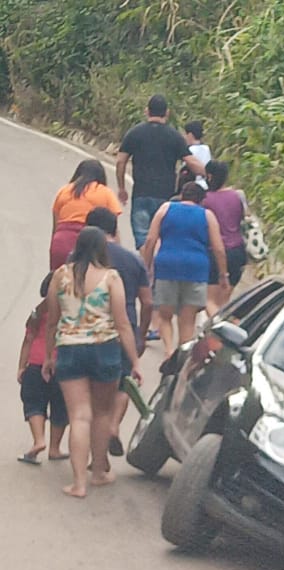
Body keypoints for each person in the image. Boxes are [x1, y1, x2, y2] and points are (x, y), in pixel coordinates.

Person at [43, 227, 142, 499]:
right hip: (105, 349)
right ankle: (98, 472)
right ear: (102, 248)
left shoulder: (60, 276)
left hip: (70, 350)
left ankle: (78, 483)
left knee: (79, 416)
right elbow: (122, 324)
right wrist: (134, 360)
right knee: (101, 413)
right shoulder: (111, 277)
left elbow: (52, 321)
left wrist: (50, 356)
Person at [85, 207, 153, 456]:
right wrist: (142, 334)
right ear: (115, 229)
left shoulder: (80, 257)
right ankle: (113, 427)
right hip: (124, 330)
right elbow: (147, 302)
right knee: (123, 383)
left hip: (89, 329)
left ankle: (94, 454)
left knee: (94, 392)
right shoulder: (133, 259)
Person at [142, 182, 228, 357]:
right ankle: (181, 356)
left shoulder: (166, 208)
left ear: (182, 195)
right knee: (187, 320)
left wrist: (146, 266)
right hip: (196, 269)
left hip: (167, 266)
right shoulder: (207, 215)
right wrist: (223, 274)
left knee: (165, 316)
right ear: (201, 200)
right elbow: (218, 248)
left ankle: (169, 351)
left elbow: (150, 240)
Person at [116, 94, 203, 250]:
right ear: (167, 113)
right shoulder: (174, 136)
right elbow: (191, 161)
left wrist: (122, 188)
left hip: (141, 194)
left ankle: (147, 271)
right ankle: (156, 269)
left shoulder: (134, 133)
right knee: (162, 238)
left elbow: (121, 161)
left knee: (143, 239)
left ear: (146, 111)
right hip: (165, 197)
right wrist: (209, 174)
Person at [16, 274, 68, 464]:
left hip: (36, 364)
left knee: (34, 404)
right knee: (60, 407)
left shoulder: (37, 312)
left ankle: (38, 441)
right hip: (61, 364)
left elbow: (28, 340)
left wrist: (22, 366)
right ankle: (55, 448)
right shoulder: (70, 311)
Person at [50, 159, 122, 270]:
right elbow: (113, 228)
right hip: (91, 245)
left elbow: (56, 227)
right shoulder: (105, 192)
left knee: (58, 281)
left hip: (61, 241)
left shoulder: (64, 191)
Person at [203, 160, 247, 317]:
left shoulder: (205, 200)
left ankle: (221, 329)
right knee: (224, 301)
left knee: (209, 301)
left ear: (209, 176)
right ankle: (223, 326)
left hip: (214, 254)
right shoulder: (237, 196)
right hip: (238, 252)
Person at [177, 120, 211, 192]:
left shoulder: (189, 151)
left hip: (191, 187)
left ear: (190, 135)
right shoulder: (206, 148)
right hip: (205, 185)